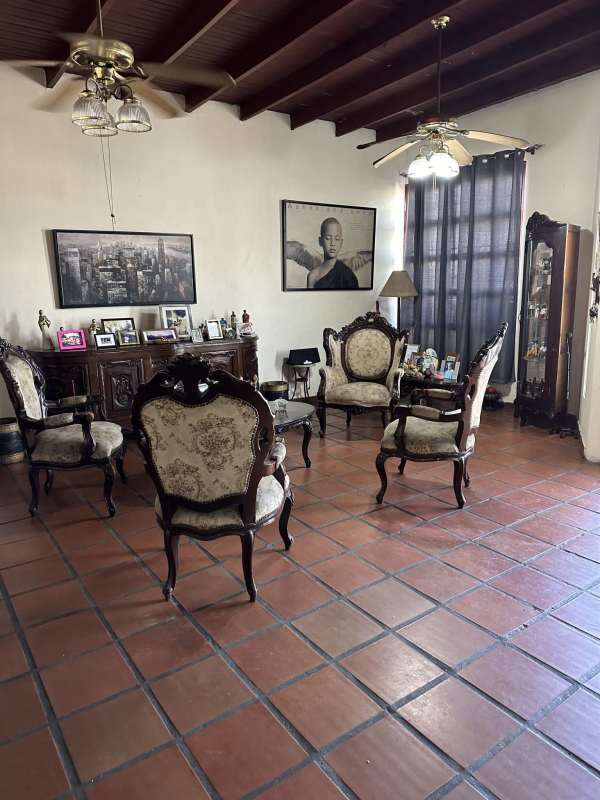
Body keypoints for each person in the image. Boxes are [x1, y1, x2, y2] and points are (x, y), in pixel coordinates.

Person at [307, 218, 358, 289]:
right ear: (320, 241)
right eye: (328, 238)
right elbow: (309, 299)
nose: (332, 243)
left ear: (341, 243)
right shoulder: (313, 276)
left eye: (337, 239)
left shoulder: (348, 275)